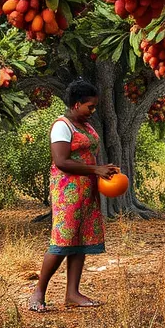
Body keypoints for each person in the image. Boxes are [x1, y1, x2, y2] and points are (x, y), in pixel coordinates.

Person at [28, 78, 118, 313]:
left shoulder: (85, 126)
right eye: (90, 106)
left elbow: (87, 156)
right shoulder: (62, 126)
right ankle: (38, 293)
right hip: (67, 192)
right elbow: (61, 161)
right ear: (77, 104)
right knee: (62, 241)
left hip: (87, 191)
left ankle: (72, 293)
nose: (93, 110)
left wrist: (103, 169)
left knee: (80, 241)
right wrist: (95, 169)